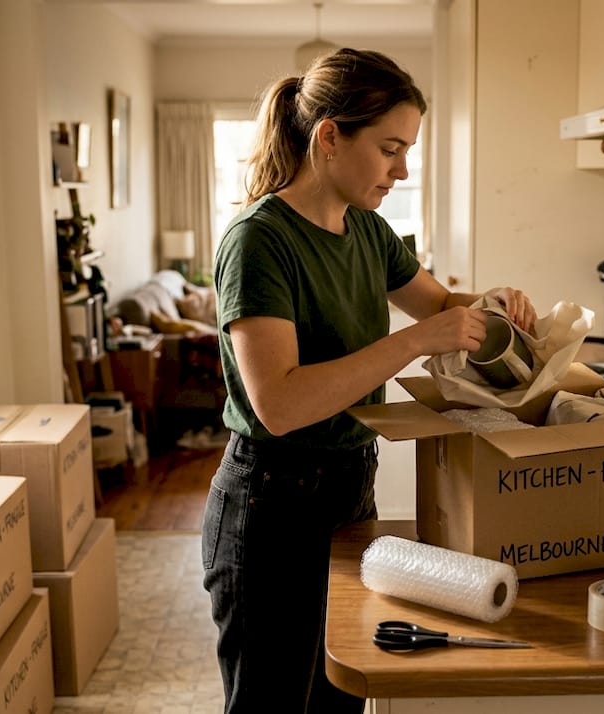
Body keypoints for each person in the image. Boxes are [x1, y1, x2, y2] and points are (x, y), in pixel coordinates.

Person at [201, 47, 537, 713]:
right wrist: (415, 341)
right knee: (272, 702)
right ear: (329, 137)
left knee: (342, 690)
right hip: (272, 502)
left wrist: (489, 303)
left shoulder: (368, 230)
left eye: (407, 150)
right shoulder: (259, 241)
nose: (402, 169)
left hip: (350, 488)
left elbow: (440, 307)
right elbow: (280, 404)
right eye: (389, 148)